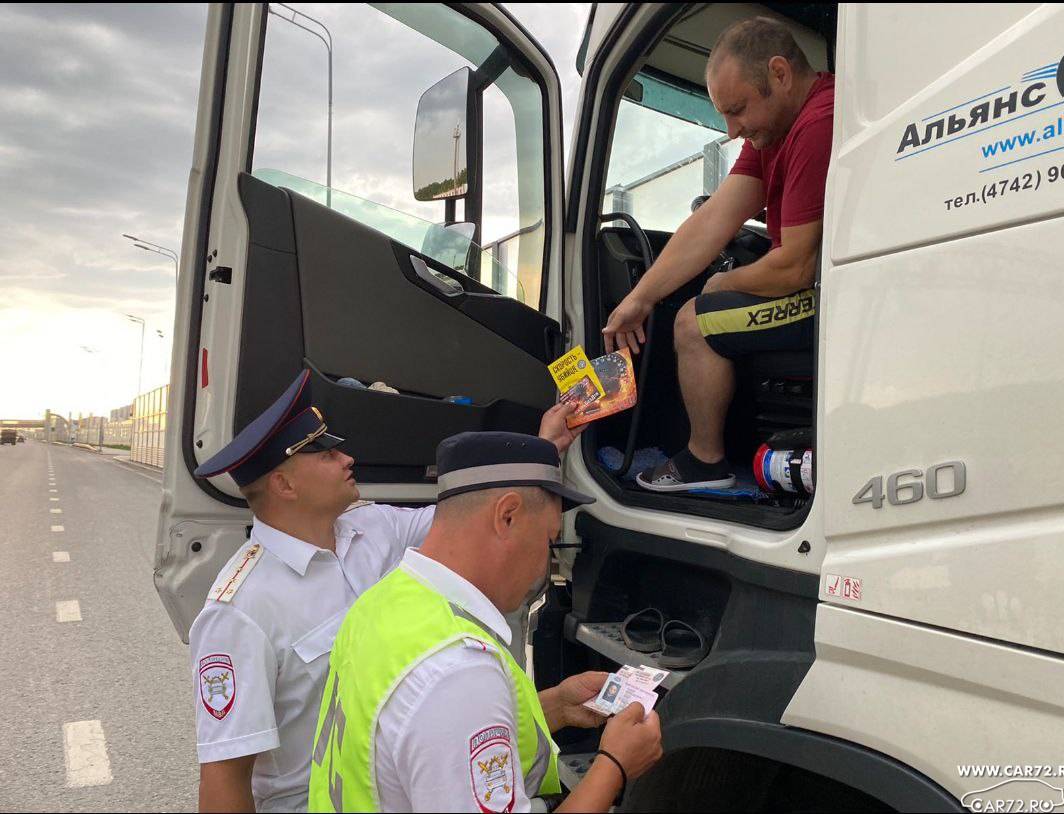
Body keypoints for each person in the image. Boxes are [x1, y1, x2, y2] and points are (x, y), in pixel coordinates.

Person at [189, 371, 584, 812]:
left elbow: (475, 516)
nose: (347, 458)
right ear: (284, 485)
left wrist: (543, 449)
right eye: (326, 453)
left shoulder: (370, 528)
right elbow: (225, 779)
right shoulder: (239, 610)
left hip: (401, 781)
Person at [309, 431, 664, 813]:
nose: (547, 564)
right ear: (507, 516)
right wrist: (614, 767)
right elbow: (450, 708)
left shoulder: (383, 602)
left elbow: (424, 738)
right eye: (548, 541)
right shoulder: (458, 672)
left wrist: (558, 706)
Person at [603, 16, 834, 492]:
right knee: (701, 304)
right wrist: (641, 298)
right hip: (818, 286)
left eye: (738, 110)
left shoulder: (818, 123)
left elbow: (796, 266)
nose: (731, 131)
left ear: (779, 74)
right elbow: (712, 222)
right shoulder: (774, 132)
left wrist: (720, 284)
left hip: (833, 296)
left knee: (695, 321)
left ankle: (705, 462)